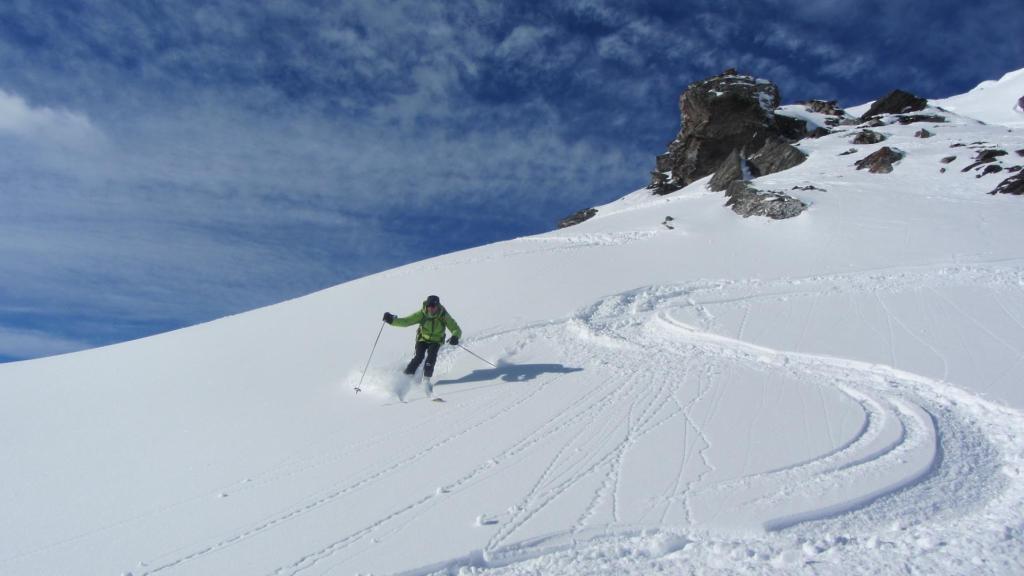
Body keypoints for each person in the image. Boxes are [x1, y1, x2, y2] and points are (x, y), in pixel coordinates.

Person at [383, 295, 461, 397]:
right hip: (422, 339)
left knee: (431, 357)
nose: (431, 308)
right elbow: (406, 321)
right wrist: (392, 321)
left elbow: (455, 328)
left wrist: (455, 336)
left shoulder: (443, 315)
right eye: (429, 306)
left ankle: (426, 380)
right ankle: (406, 376)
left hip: (436, 340)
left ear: (438, 306)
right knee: (419, 357)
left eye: (433, 306)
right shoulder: (422, 314)